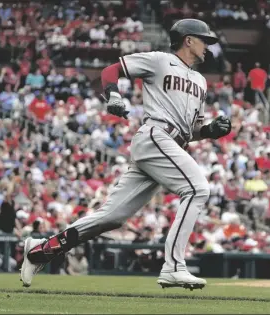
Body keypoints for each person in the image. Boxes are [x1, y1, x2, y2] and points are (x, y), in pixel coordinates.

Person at [20, 19, 231, 290]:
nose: (208, 47)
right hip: (156, 136)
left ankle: (40, 250)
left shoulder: (201, 81)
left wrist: (211, 130)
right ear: (188, 40)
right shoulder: (159, 61)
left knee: (112, 218)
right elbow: (111, 70)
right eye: (205, 40)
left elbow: (192, 129)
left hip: (171, 144)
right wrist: (113, 96)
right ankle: (174, 266)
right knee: (198, 189)